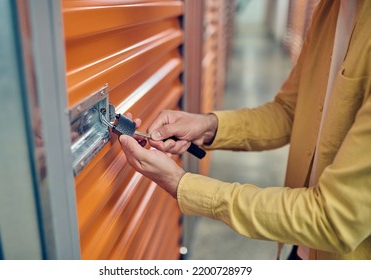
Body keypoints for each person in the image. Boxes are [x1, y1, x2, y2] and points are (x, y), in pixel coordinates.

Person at [119, 0, 371, 260]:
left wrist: (183, 185)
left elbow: (335, 219)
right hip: (303, 246)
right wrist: (208, 126)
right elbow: (288, 112)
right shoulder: (328, 11)